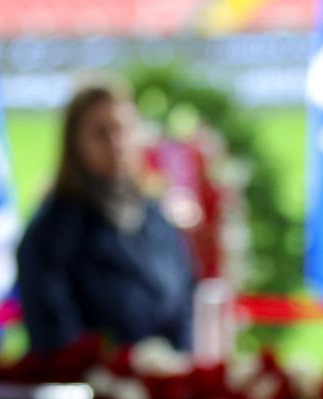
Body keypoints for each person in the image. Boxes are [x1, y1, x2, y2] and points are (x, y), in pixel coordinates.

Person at [17, 79, 195, 354]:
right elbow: (53, 335)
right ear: (74, 143)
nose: (116, 143)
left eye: (122, 129)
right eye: (101, 133)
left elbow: (186, 303)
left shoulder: (154, 216)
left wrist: (171, 365)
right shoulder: (53, 230)